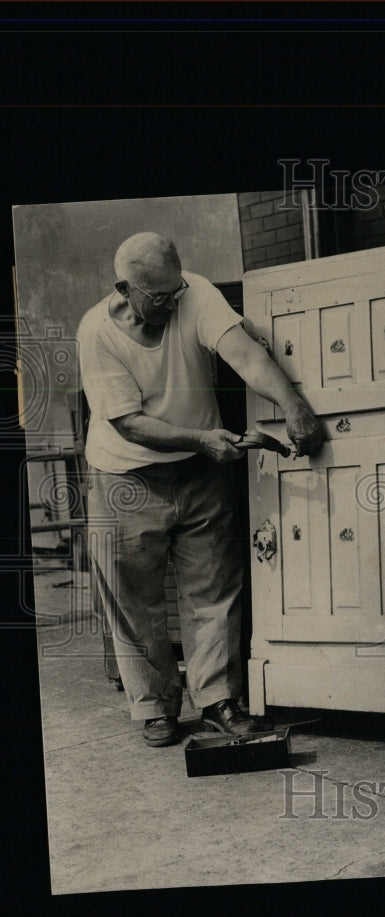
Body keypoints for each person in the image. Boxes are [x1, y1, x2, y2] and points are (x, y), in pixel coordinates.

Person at [78, 232, 326, 747]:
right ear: (124, 288)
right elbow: (128, 423)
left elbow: (247, 357)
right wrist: (200, 440)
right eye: (158, 297)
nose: (172, 302)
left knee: (214, 588)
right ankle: (154, 705)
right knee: (136, 599)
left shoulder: (194, 293)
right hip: (125, 476)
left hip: (200, 470)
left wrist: (295, 405)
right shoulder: (96, 332)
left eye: (176, 290)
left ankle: (218, 700)